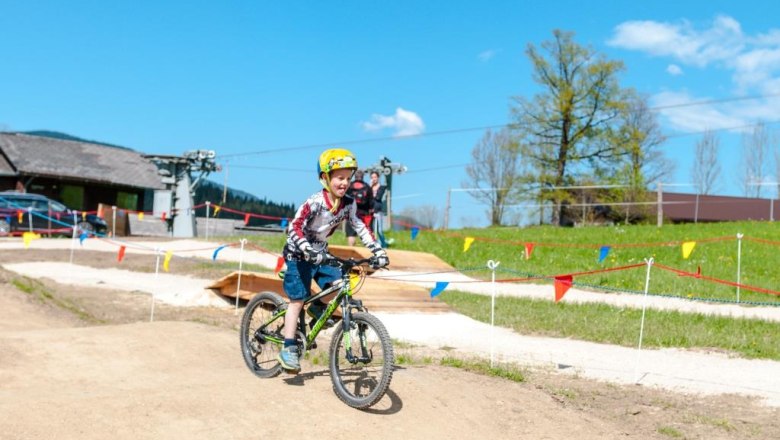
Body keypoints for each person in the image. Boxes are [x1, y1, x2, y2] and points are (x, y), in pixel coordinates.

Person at [278, 148, 389, 373]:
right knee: (297, 300)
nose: (344, 183)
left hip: (320, 253)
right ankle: (288, 346)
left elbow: (360, 226)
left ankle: (318, 307)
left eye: (348, 178)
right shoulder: (315, 202)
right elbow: (294, 228)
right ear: (324, 178)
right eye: (339, 177)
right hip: (297, 253)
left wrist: (378, 251)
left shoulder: (348, 203)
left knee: (340, 284)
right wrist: (306, 249)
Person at [344, 169, 373, 246]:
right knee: (365, 234)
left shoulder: (349, 186)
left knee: (351, 234)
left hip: (351, 213)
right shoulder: (367, 187)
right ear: (363, 177)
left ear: (354, 176)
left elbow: (344, 198)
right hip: (364, 214)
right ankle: (368, 253)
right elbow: (371, 202)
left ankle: (351, 253)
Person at [369, 170, 388, 248]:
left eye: (375, 177)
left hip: (378, 210)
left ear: (378, 177)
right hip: (370, 210)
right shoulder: (369, 187)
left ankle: (384, 244)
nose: (374, 179)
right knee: (371, 229)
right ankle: (373, 244)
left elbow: (378, 197)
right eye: (372, 177)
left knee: (379, 230)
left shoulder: (382, 187)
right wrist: (370, 187)